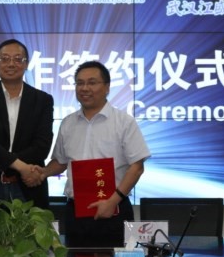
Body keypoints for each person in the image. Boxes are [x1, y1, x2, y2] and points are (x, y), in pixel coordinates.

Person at [37, 61, 150, 247]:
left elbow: (137, 167)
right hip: (76, 211)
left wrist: (112, 202)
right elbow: (61, 162)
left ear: (107, 87)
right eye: (80, 83)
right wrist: (42, 173)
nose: (85, 88)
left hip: (114, 209)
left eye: (92, 82)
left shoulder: (123, 122)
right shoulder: (68, 123)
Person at [0, 39, 54, 208]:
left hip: (29, 185)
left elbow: (42, 146)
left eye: (18, 59)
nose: (11, 64)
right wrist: (20, 166)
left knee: (32, 226)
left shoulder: (42, 99)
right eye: (5, 59)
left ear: (26, 64)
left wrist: (13, 167)